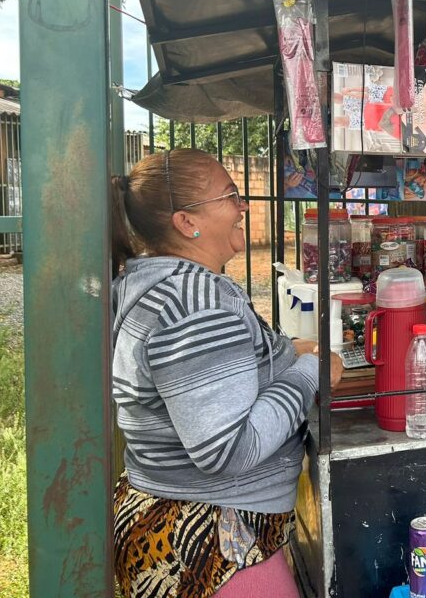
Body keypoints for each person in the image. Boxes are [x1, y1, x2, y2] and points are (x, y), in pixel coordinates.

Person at [110, 149, 344, 597]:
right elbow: (229, 449)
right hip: (210, 543)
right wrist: (309, 372)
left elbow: (210, 370)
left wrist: (285, 352)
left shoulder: (158, 283)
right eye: (231, 196)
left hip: (183, 517)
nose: (244, 207)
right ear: (187, 222)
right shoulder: (195, 302)